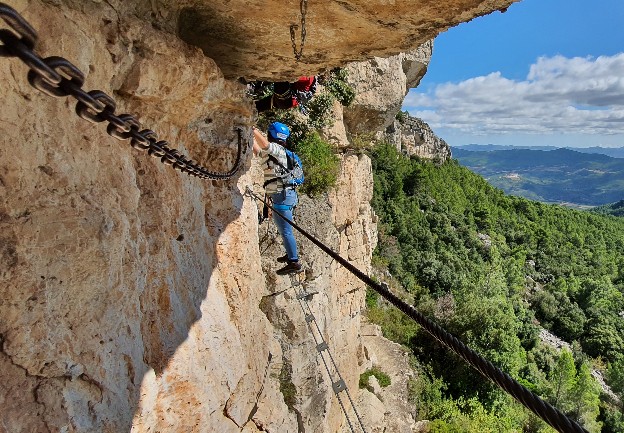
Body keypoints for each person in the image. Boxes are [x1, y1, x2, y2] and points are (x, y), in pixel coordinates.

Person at [252, 122, 303, 275]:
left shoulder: (278, 151)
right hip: (284, 196)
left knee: (286, 230)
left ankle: (294, 261)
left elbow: (266, 146)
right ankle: (290, 254)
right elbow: (258, 151)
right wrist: (249, 136)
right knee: (283, 229)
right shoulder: (274, 156)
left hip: (283, 197)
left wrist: (252, 129)